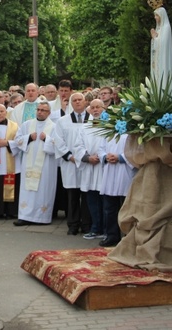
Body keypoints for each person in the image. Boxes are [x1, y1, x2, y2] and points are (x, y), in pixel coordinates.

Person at [13, 101, 57, 226]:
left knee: (43, 189)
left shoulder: (54, 127)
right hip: (28, 163)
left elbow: (58, 145)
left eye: (43, 110)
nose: (40, 112)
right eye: (38, 109)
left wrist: (46, 139)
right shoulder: (27, 125)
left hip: (46, 166)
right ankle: (24, 216)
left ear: (48, 113)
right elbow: (17, 140)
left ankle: (42, 217)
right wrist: (28, 138)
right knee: (27, 189)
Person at [54, 92, 92, 235]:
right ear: (71, 103)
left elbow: (97, 139)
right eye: (74, 100)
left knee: (87, 194)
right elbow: (58, 141)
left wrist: (88, 157)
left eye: (79, 100)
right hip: (70, 163)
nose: (77, 102)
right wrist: (69, 156)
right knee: (72, 195)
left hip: (88, 163)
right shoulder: (62, 121)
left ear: (85, 102)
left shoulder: (93, 120)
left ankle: (87, 224)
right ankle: (73, 224)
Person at [73, 99, 105, 240]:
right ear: (89, 110)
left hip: (103, 167)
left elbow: (112, 145)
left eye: (98, 107)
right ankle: (95, 228)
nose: (96, 109)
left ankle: (105, 229)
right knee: (91, 199)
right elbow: (77, 146)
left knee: (105, 200)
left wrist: (101, 156)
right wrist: (87, 157)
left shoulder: (110, 127)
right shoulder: (84, 127)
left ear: (104, 109)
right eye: (93, 107)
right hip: (90, 166)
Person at [97, 134, 136, 247]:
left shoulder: (132, 129)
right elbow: (101, 148)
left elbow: (137, 149)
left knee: (127, 208)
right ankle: (112, 236)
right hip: (110, 172)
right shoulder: (110, 130)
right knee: (109, 208)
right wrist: (105, 156)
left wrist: (121, 157)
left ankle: (128, 237)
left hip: (126, 172)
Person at [151, 6, 172, 94]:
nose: (155, 18)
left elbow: (163, 44)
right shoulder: (159, 29)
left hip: (163, 60)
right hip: (157, 61)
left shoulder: (166, 28)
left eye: (157, 15)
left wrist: (155, 38)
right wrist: (154, 39)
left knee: (163, 78)